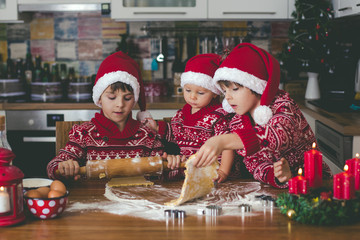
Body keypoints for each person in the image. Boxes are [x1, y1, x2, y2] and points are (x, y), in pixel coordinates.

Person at [193, 43, 331, 188]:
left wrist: (222, 141)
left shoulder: (283, 104)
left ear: (255, 85)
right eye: (224, 91)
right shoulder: (237, 123)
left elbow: (279, 135)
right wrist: (276, 176)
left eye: (234, 89)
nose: (228, 97)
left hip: (316, 184)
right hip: (284, 189)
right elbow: (254, 165)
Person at [47, 51, 163, 180]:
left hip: (137, 199)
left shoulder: (148, 136)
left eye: (128, 98)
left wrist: (173, 163)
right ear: (99, 98)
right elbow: (53, 167)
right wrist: (64, 166)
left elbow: (165, 173)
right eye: (112, 97)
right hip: (95, 198)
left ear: (134, 100)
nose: (120, 104)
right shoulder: (84, 134)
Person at [145, 53, 235, 183]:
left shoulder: (219, 116)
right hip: (191, 169)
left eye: (200, 93)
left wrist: (223, 171)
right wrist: (158, 128)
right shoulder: (181, 114)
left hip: (214, 171)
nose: (192, 97)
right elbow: (176, 135)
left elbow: (227, 145)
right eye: (187, 90)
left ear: (215, 93)